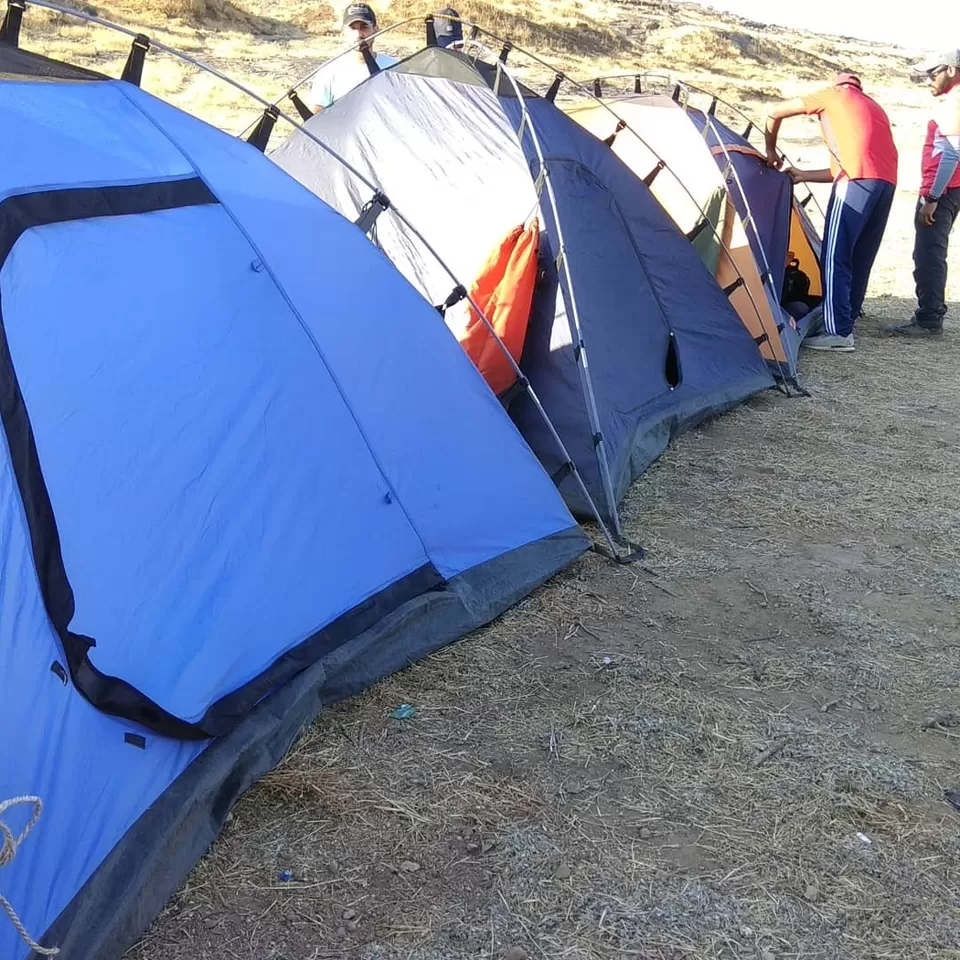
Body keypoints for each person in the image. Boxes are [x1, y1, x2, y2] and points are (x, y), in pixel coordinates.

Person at [765, 72, 899, 352]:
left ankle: (837, 332)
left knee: (835, 254)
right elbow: (852, 166)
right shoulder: (873, 107)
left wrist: (770, 150)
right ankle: (847, 318)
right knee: (860, 255)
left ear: (838, 85)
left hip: (855, 179)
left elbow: (775, 112)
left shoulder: (832, 96)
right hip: (885, 184)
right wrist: (803, 174)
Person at [884, 50, 960, 338]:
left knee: (929, 252)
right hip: (950, 188)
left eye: (933, 73)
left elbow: (953, 152)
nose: (928, 80)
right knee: (931, 251)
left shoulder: (954, 102)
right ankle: (930, 314)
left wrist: (933, 198)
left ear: (951, 70)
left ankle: (929, 318)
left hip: (944, 189)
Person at [308, 3, 397, 113]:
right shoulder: (328, 73)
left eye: (364, 27)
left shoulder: (394, 67)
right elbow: (315, 118)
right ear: (344, 31)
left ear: (375, 29)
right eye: (352, 28)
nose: (359, 34)